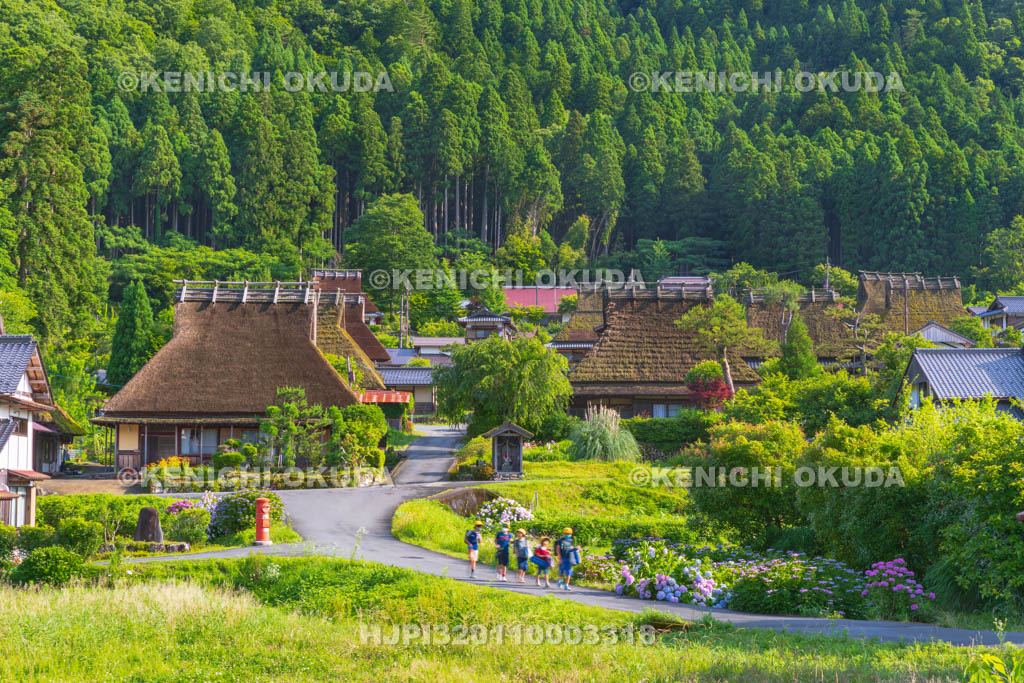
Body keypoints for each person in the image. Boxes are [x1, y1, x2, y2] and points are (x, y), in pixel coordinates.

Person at [555, 527, 579, 591]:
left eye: (569, 534)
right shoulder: (560, 540)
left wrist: (576, 549)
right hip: (562, 558)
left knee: (569, 572)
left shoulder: (571, 541)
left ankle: (566, 585)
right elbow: (558, 549)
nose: (567, 535)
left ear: (571, 534)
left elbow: (571, 548)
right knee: (561, 572)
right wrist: (559, 558)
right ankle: (560, 581)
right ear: (564, 533)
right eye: (566, 533)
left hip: (569, 558)